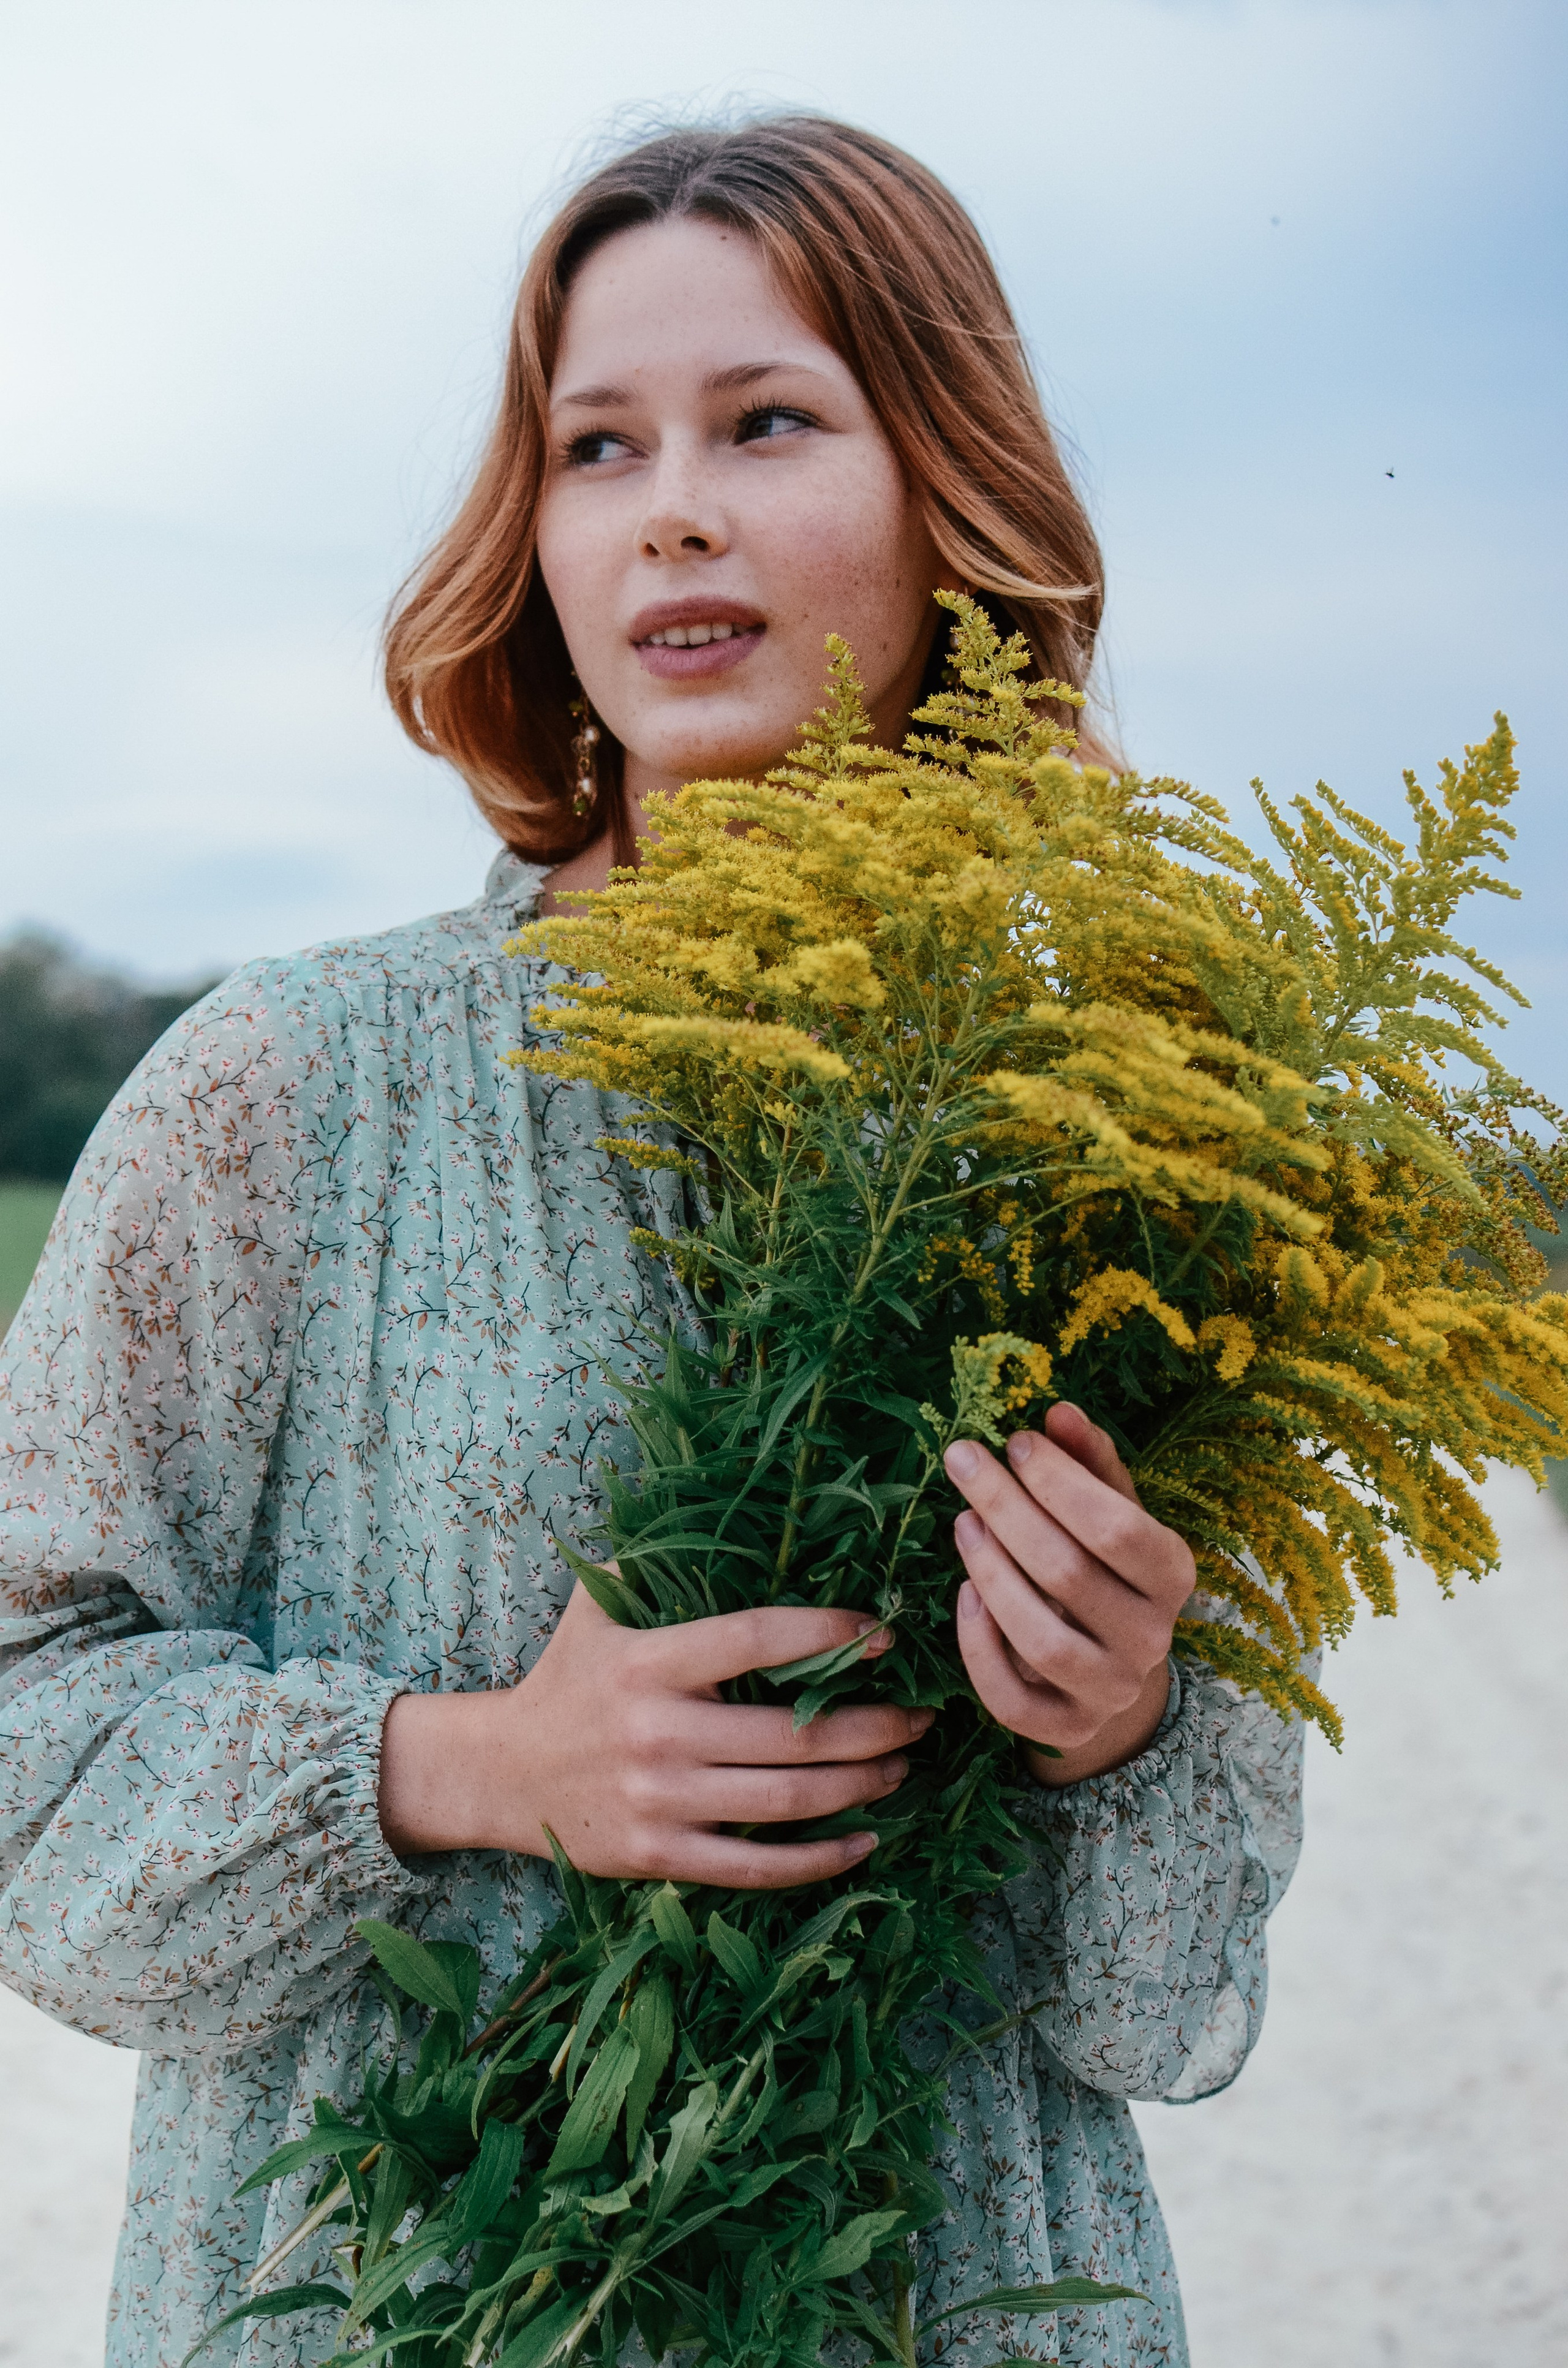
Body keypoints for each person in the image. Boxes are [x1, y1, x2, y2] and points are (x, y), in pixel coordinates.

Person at [0, 118, 1305, 2368]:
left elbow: (1173, 2009)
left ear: (948, 492)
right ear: (541, 538)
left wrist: (1126, 1721)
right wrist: (472, 1763)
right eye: (598, 447)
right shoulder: (290, 1088)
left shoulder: (1124, 1162)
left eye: (769, 422)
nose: (674, 503)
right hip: (389, 2306)